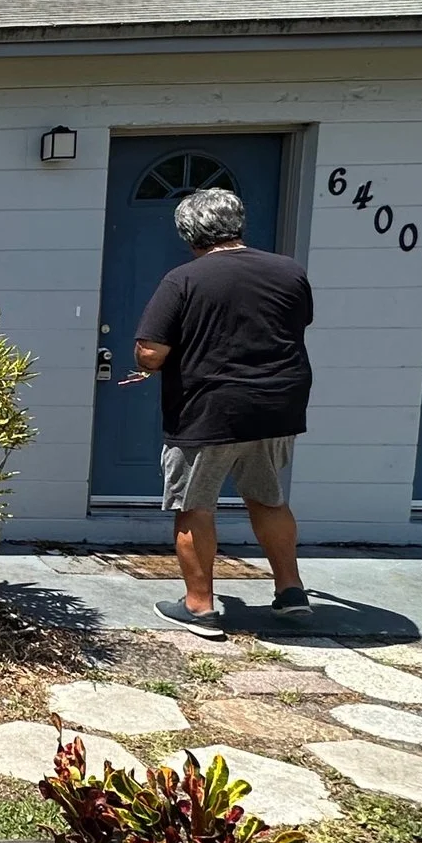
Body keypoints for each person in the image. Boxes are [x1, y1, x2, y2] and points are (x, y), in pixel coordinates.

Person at [131, 184, 314, 636]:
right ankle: (291, 592)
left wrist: (151, 363)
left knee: (194, 506)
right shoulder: (289, 272)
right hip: (276, 405)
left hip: (208, 409)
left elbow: (151, 352)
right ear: (237, 223)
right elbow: (292, 326)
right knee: (269, 497)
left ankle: (200, 607)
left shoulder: (184, 280)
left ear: (190, 234)